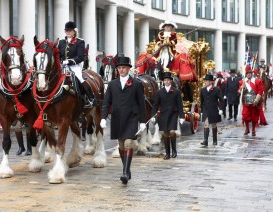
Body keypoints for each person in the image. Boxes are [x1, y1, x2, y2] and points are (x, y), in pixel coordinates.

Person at [100, 56, 146, 185]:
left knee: (128, 143)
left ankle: (125, 173)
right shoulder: (112, 84)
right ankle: (126, 168)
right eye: (119, 68)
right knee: (120, 145)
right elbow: (106, 102)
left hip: (131, 118)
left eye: (123, 68)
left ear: (128, 69)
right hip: (117, 118)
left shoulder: (136, 84)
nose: (121, 70)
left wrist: (142, 121)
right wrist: (103, 117)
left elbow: (141, 103)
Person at [58, 21, 96, 107]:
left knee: (80, 78)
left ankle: (90, 98)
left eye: (70, 30)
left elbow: (80, 57)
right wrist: (60, 61)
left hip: (75, 66)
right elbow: (58, 55)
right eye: (66, 30)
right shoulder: (61, 42)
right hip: (63, 65)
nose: (68, 32)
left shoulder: (80, 42)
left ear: (74, 31)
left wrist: (69, 61)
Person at [151, 71, 184, 159]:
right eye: (165, 80)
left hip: (173, 114)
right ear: (163, 81)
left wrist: (182, 116)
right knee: (165, 134)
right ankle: (167, 153)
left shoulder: (176, 91)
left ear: (171, 81)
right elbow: (155, 105)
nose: (167, 81)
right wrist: (153, 116)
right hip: (163, 115)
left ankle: (174, 150)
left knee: (172, 132)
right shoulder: (160, 92)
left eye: (168, 80)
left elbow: (180, 104)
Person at [239, 66, 265, 136]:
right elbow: (239, 91)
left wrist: (257, 99)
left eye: (250, 73)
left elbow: (261, 90)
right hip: (246, 102)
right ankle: (247, 129)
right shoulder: (243, 81)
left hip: (254, 102)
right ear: (246, 74)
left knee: (254, 116)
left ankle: (253, 130)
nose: (249, 74)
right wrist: (241, 88)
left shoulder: (257, 81)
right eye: (248, 73)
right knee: (245, 115)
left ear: (252, 74)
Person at [200, 74, 224, 146]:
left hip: (214, 109)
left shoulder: (216, 89)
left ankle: (214, 140)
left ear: (211, 82)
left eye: (207, 81)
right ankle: (205, 140)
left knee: (213, 124)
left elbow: (221, 100)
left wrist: (221, 109)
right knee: (206, 124)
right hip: (206, 109)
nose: (205, 82)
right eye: (205, 81)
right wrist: (201, 111)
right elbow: (202, 101)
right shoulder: (203, 90)